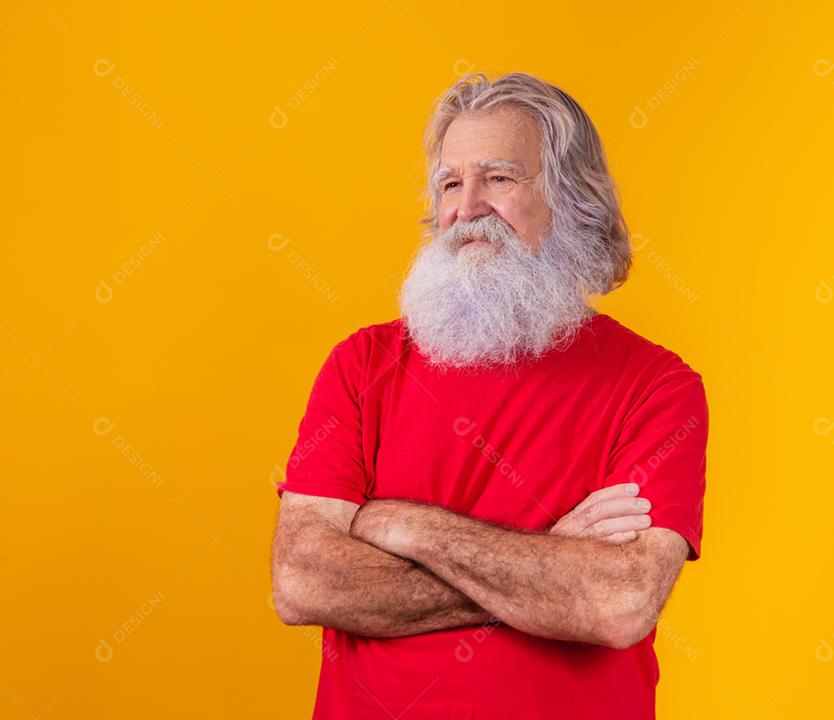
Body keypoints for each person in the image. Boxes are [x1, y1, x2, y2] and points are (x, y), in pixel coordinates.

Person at [270, 71, 709, 719]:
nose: (466, 207)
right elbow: (306, 583)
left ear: (571, 198)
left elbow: (615, 606)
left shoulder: (657, 386)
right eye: (450, 183)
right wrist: (550, 562)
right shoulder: (361, 364)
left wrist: (402, 525)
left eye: (499, 178)